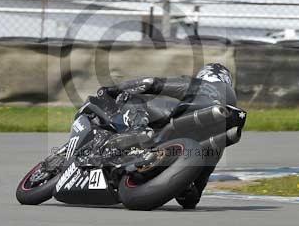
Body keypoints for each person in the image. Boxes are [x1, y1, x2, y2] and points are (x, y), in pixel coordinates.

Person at [100, 63, 238, 209]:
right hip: (209, 135)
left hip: (184, 121)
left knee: (132, 98)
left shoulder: (200, 85)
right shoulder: (219, 134)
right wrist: (186, 186)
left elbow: (151, 83)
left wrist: (112, 90)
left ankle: (138, 129)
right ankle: (151, 152)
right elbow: (192, 200)